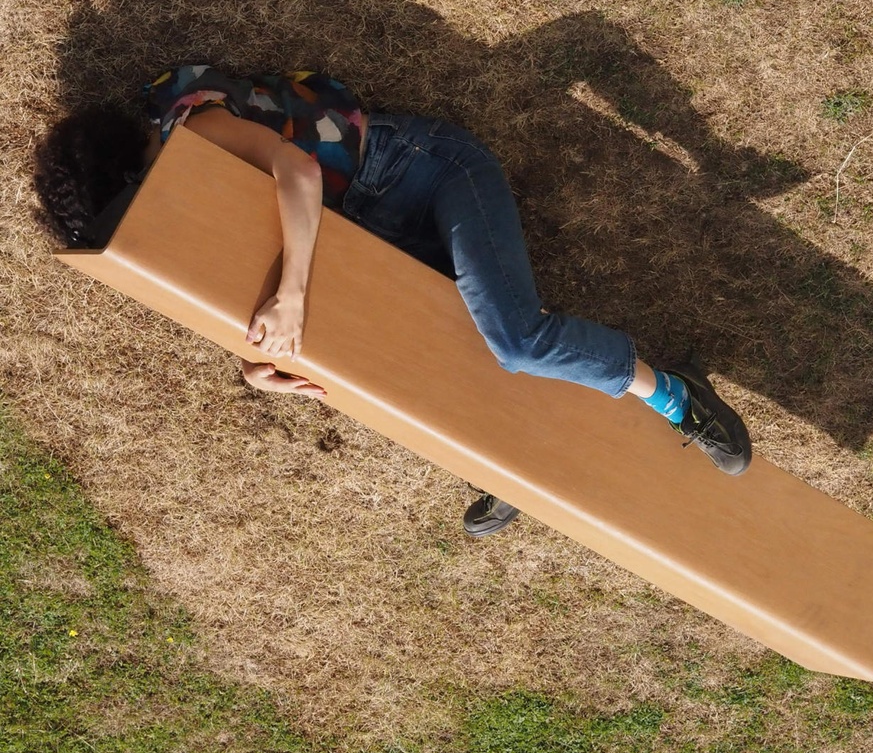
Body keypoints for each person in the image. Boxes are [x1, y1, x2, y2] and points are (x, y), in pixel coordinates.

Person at [35, 65, 752, 537]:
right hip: (360, 237)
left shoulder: (190, 129)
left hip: (422, 172)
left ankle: (674, 392)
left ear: (133, 168)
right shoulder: (176, 202)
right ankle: (511, 461)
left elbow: (298, 173)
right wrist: (255, 368)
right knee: (392, 358)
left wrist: (292, 293)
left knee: (514, 341)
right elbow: (228, 286)